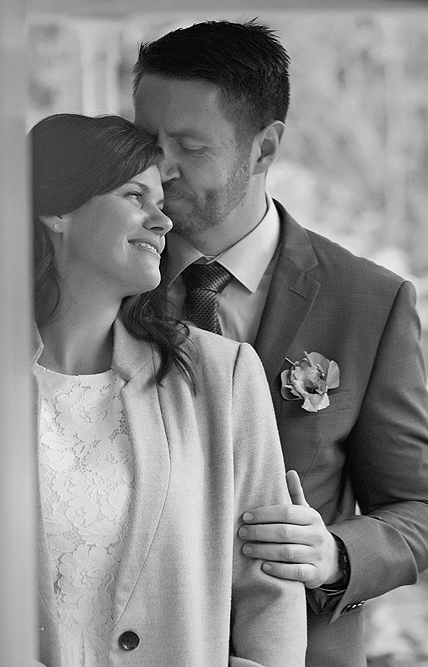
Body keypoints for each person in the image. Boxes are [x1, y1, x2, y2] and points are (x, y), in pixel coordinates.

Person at [0, 113, 306, 666]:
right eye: (136, 196)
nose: (162, 222)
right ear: (55, 210)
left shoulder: (220, 377)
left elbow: (269, 589)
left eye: (161, 201)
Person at [132, 19, 428, 667]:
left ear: (264, 148)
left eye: (188, 145)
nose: (160, 167)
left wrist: (336, 553)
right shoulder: (102, 282)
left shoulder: (372, 301)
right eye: (145, 139)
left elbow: (418, 505)